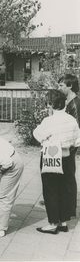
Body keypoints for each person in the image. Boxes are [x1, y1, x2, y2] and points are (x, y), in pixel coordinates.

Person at [33, 90, 80, 234]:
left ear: (50, 104)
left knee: (51, 189)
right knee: (65, 189)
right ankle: (63, 222)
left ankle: (52, 223)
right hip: (67, 157)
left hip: (51, 158)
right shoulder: (71, 119)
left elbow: (38, 134)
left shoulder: (49, 120)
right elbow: (77, 141)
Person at [58, 74, 80, 218]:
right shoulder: (69, 102)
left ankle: (70, 209)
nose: (58, 88)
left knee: (68, 176)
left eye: (61, 86)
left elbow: (75, 127)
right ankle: (64, 203)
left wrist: (68, 148)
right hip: (66, 145)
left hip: (69, 146)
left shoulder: (75, 104)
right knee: (65, 175)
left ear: (70, 86)